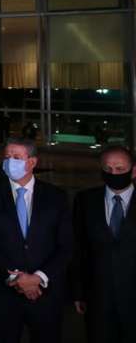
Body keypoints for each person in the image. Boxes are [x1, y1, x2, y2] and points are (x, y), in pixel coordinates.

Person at [0, 137, 72, 343]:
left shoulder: (56, 196)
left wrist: (37, 277)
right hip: (3, 292)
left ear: (32, 162)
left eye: (16, 157)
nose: (10, 161)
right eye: (7, 156)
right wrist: (15, 277)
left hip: (45, 292)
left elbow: (65, 245)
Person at [71, 145, 136, 343]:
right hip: (98, 298)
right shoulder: (85, 200)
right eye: (108, 169)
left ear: (133, 171)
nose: (113, 173)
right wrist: (77, 292)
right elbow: (77, 248)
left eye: (120, 169)